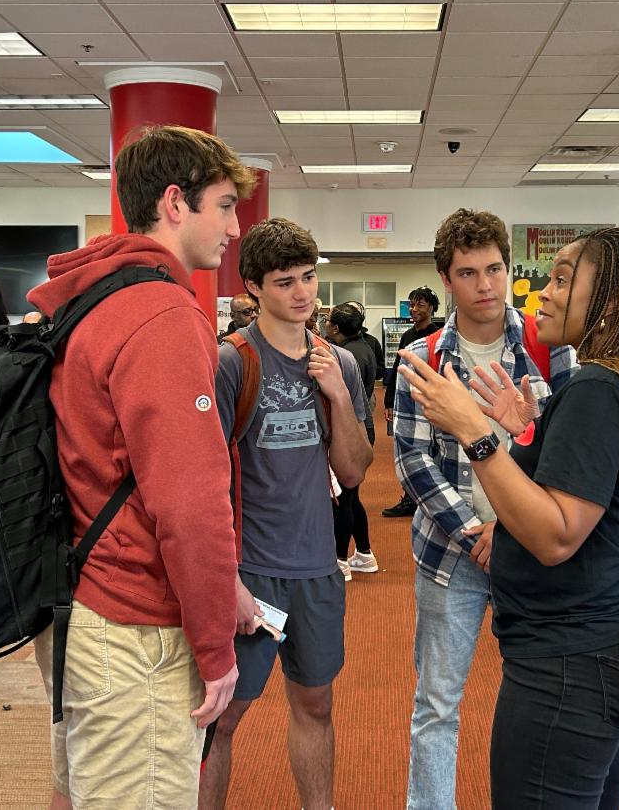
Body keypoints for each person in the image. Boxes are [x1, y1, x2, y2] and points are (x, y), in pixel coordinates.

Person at [396, 226, 619, 809]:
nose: (541, 291)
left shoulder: (595, 386)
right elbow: (597, 491)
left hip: (570, 659)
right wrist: (528, 434)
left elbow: (556, 535)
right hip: (608, 636)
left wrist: (474, 431)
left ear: (611, 301)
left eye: (563, 279)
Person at [26, 124, 253, 808]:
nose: (235, 226)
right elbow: (187, 503)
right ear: (176, 203)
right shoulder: (160, 314)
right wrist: (214, 647)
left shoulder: (95, 296)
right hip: (137, 632)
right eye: (223, 204)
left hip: (85, 603)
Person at [393, 208, 575, 810]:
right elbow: (414, 462)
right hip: (451, 554)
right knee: (438, 705)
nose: (486, 286)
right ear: (447, 279)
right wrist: (476, 530)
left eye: (494, 269)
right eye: (469, 273)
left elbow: (562, 452)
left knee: (543, 697)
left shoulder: (551, 351)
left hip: (531, 548)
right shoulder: (421, 358)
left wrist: (508, 526)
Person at [202, 218, 372, 810]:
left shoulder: (339, 365)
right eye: (284, 283)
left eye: (308, 278)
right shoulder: (231, 363)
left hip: (317, 569)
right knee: (221, 719)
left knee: (316, 705)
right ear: (253, 286)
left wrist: (341, 399)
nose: (303, 294)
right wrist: (227, 579)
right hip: (251, 573)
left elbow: (352, 473)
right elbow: (201, 479)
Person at [325, 302, 379, 578]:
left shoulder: (345, 356)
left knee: (343, 498)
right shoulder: (363, 347)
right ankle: (364, 553)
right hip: (360, 426)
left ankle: (340, 559)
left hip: (351, 429)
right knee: (352, 497)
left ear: (335, 327)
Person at [381, 286, 442, 519]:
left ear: (432, 309)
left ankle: (431, 499)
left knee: (432, 450)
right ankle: (409, 499)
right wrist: (389, 401)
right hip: (407, 401)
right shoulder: (407, 336)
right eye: (412, 305)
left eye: (421, 305)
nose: (414, 310)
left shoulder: (437, 336)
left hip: (430, 401)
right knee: (408, 451)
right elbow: (398, 370)